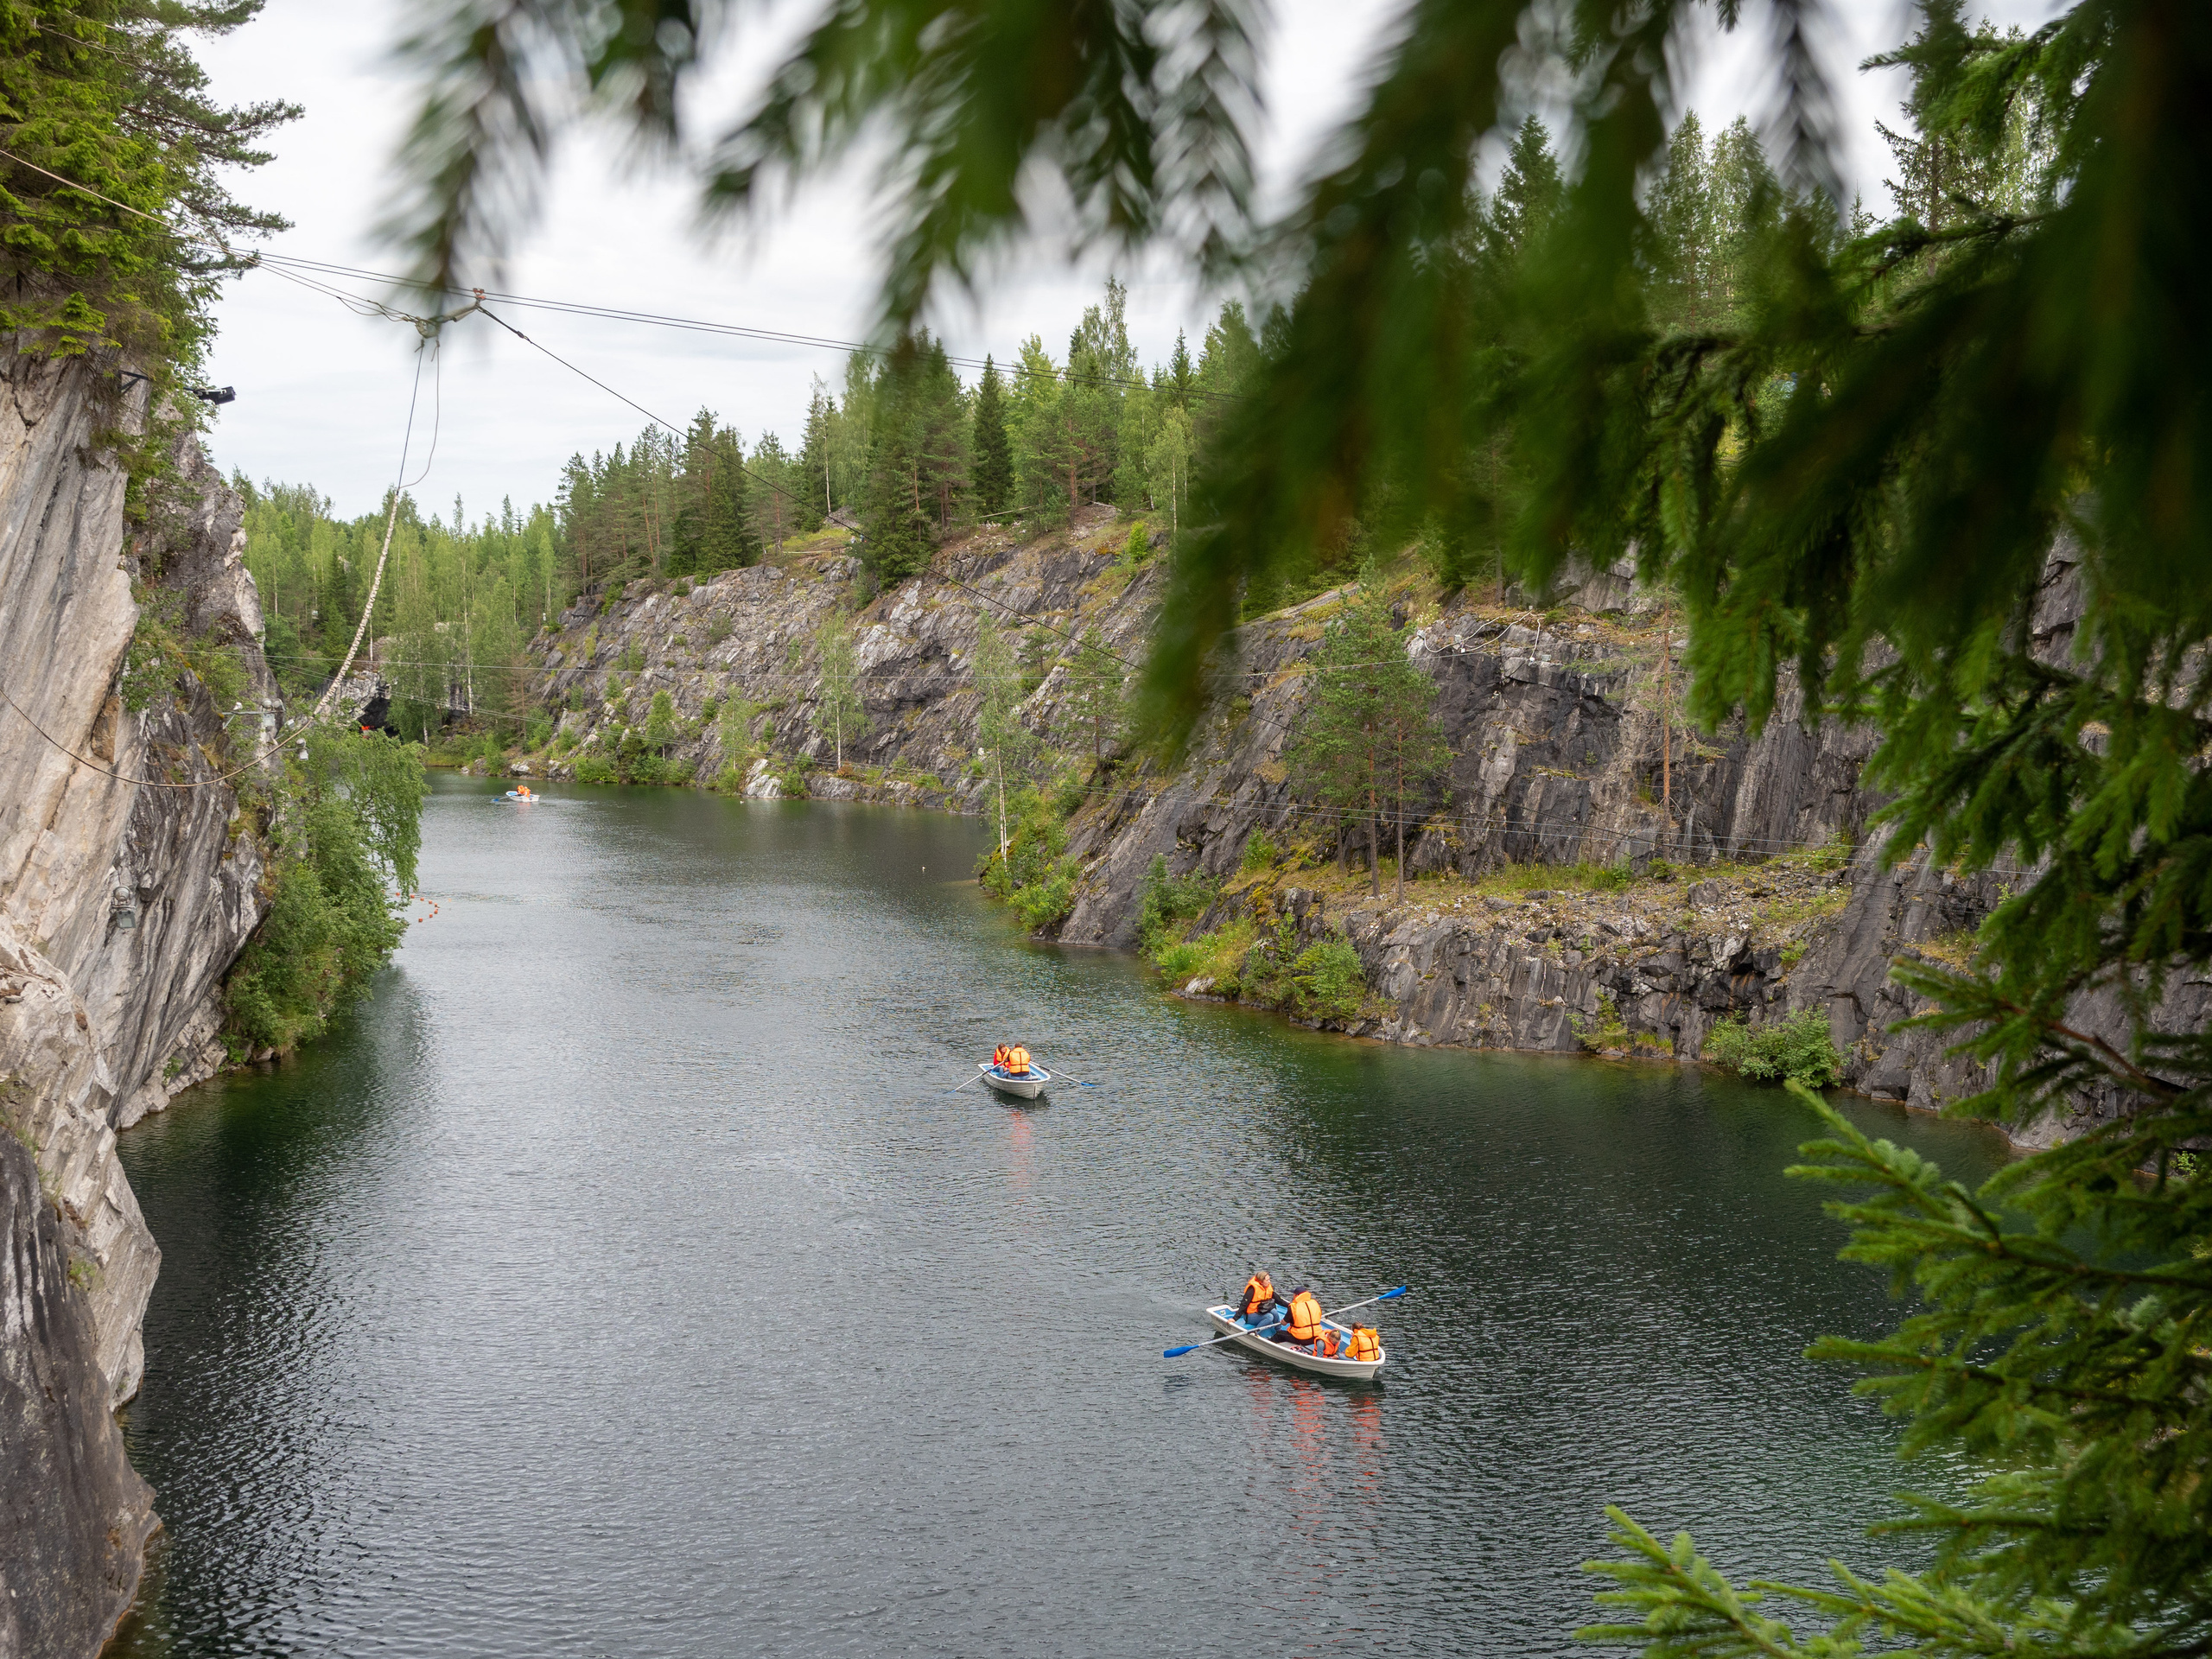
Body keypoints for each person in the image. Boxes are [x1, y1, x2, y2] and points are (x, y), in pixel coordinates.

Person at [1282, 1287, 1324, 1351]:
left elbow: (1284, 1323)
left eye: (1293, 1294)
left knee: (1278, 1334)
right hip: (1316, 1336)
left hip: (1301, 1338)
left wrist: (1281, 1321)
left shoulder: (1293, 1307)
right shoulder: (1315, 1303)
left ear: (1296, 1295)